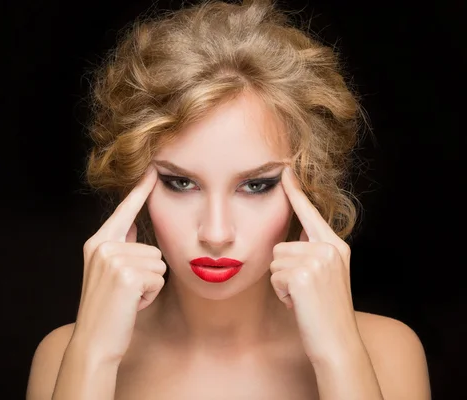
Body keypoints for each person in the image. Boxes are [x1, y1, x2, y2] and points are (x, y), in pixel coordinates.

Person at [26, 0, 431, 398]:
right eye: (180, 183)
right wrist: (93, 356)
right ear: (133, 180)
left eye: (256, 185)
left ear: (310, 184)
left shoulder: (386, 351)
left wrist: (339, 357)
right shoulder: (65, 354)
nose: (216, 233)